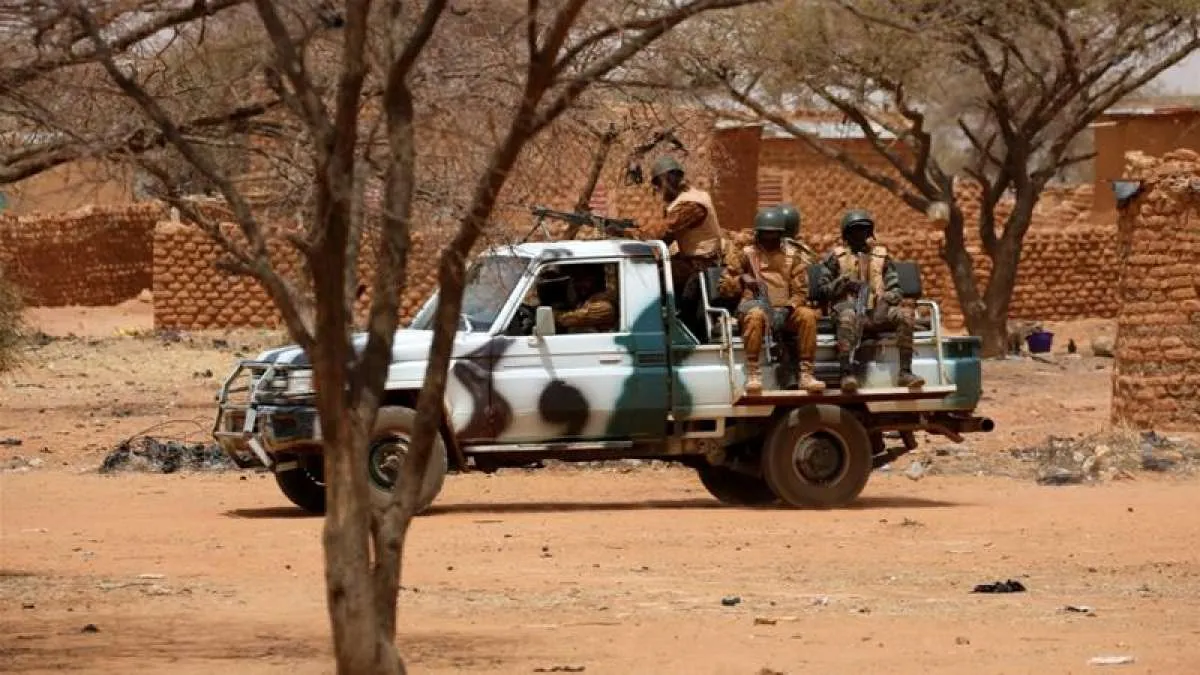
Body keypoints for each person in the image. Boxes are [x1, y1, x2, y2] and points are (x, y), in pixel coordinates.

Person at [815, 208, 925, 393]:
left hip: (877, 311)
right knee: (848, 316)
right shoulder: (836, 257)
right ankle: (846, 373)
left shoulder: (881, 256)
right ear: (847, 234)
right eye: (855, 230)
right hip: (847, 309)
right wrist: (843, 283)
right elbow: (822, 289)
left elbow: (895, 288)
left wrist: (886, 301)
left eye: (864, 230)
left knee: (905, 316)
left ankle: (905, 372)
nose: (860, 234)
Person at [730, 206, 825, 395]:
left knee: (807, 315)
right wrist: (741, 279)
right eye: (765, 234)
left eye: (774, 234)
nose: (769, 238)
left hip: (785, 309)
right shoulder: (746, 254)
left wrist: (789, 308)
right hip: (755, 307)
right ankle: (753, 373)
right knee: (755, 315)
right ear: (759, 233)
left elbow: (801, 291)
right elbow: (724, 285)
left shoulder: (792, 256)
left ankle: (806, 373)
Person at [642, 156, 726, 337]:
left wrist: (627, 232)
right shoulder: (687, 199)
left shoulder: (690, 204)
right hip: (691, 261)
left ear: (667, 179)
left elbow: (662, 232)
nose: (657, 189)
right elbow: (668, 238)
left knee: (647, 278)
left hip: (701, 265)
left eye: (658, 183)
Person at [552, 265, 617, 334]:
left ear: (597, 281)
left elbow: (569, 319)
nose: (580, 285)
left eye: (586, 280)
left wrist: (550, 315)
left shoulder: (604, 306)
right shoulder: (584, 302)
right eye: (577, 280)